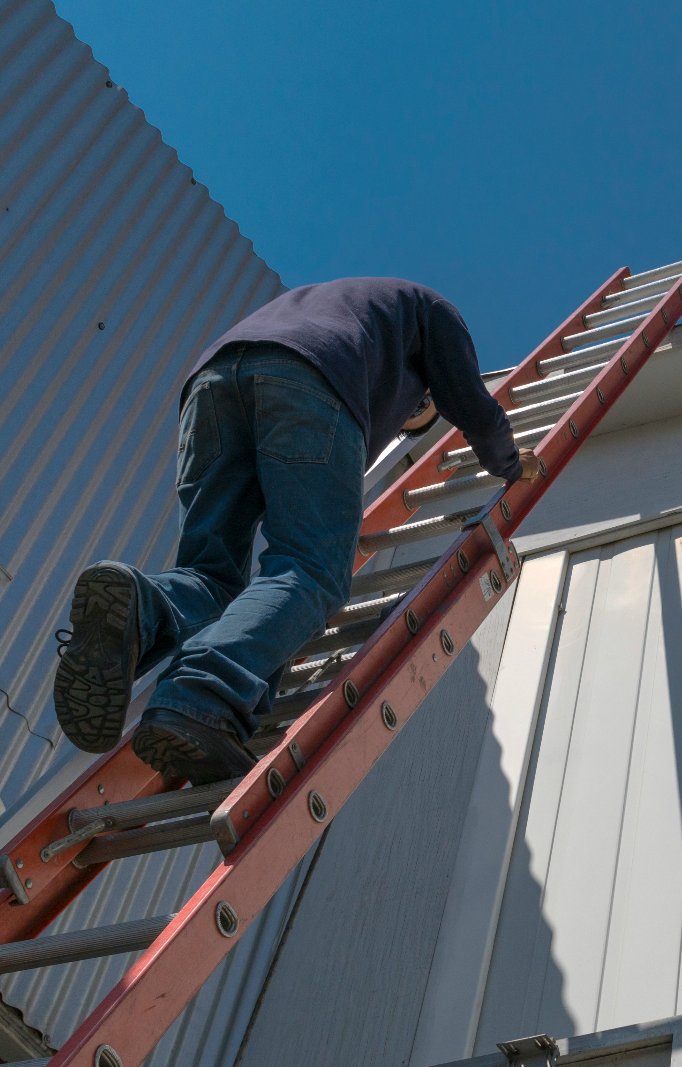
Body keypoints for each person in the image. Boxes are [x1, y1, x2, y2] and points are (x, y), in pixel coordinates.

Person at [52, 278, 538, 784]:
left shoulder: (342, 300)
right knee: (311, 567)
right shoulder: (433, 310)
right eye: (414, 412)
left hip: (211, 382)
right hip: (313, 378)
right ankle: (202, 694)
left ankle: (141, 608)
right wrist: (508, 461)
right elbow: (469, 401)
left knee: (210, 575)